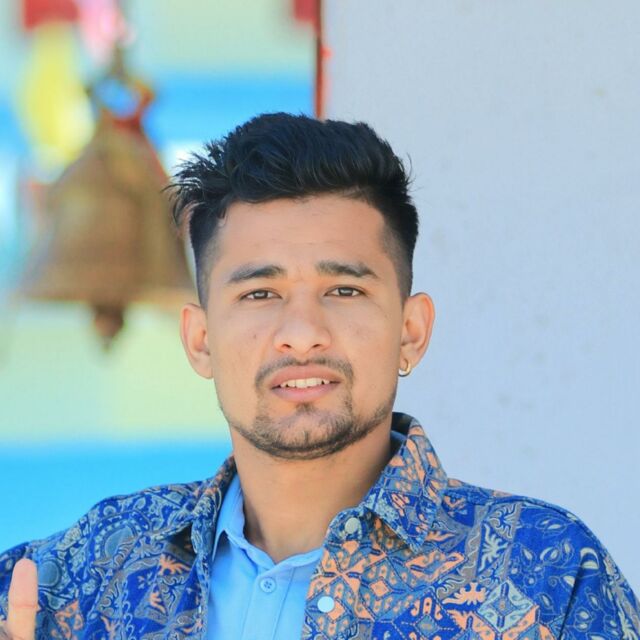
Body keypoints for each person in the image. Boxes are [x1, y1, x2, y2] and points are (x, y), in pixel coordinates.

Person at [0, 113, 638, 640]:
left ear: (411, 331)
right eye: (259, 294)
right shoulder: (90, 572)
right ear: (200, 341)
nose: (302, 332)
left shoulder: (544, 577)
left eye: (344, 290)